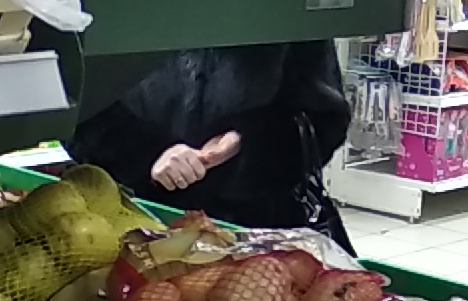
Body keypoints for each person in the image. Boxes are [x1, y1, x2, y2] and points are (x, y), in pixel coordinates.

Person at [68, 40, 352, 247]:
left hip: (256, 236)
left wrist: (244, 141)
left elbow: (322, 118)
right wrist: (148, 156)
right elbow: (77, 108)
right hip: (132, 222)